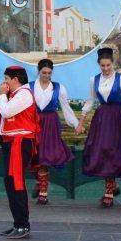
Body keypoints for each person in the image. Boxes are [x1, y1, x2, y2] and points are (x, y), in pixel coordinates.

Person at [81, 47, 121, 208]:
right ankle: (110, 187)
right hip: (101, 118)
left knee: (114, 151)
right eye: (102, 66)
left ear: (112, 63)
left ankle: (110, 189)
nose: (106, 68)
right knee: (102, 151)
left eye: (108, 65)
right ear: (98, 64)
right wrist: (81, 120)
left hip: (117, 117)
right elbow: (90, 101)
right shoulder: (93, 80)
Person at [29, 59, 82, 205]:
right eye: (43, 72)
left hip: (51, 125)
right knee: (33, 157)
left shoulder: (59, 88)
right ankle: (39, 183)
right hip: (34, 124)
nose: (46, 75)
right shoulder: (29, 87)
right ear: (38, 71)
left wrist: (76, 124)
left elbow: (66, 108)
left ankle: (43, 193)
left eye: (49, 73)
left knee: (44, 158)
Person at [0, 65, 38, 239]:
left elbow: (6, 111)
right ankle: (18, 223)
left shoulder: (24, 94)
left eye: (7, 79)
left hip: (20, 143)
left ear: (15, 79)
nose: (4, 83)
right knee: (10, 182)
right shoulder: (15, 95)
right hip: (11, 143)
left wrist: (2, 95)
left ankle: (23, 225)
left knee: (16, 182)